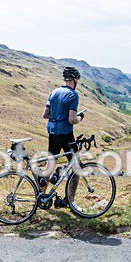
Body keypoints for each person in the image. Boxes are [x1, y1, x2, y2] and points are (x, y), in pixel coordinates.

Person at [41, 66, 85, 207]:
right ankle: (71, 202)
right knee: (76, 166)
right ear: (75, 79)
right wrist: (80, 118)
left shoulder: (54, 92)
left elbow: (45, 114)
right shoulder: (73, 95)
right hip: (65, 133)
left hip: (52, 132)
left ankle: (42, 197)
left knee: (50, 164)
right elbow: (72, 119)